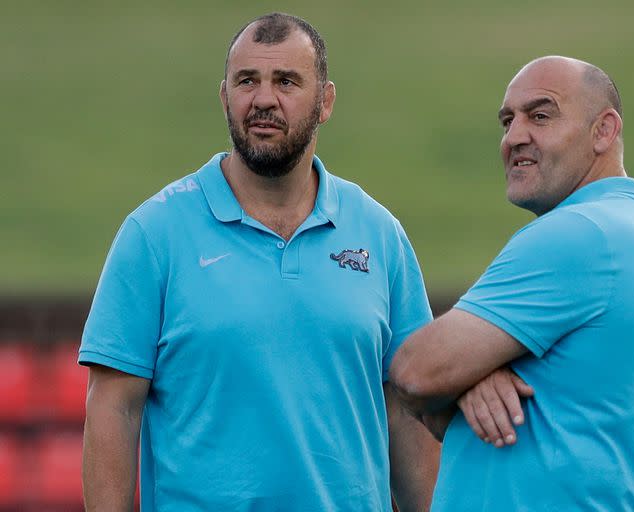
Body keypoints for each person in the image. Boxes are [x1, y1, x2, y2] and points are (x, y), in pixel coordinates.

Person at [79, 13, 439, 511]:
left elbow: (407, 413)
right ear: (224, 96)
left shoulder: (380, 235)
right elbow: (114, 410)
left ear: (325, 101)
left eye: (286, 81)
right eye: (247, 81)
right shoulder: (153, 234)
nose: (263, 100)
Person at [390, 56, 634, 510]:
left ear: (603, 131)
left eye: (540, 115)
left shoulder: (582, 232)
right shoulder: (617, 227)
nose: (514, 137)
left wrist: (454, 375)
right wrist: (468, 377)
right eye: (508, 120)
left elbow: (415, 372)